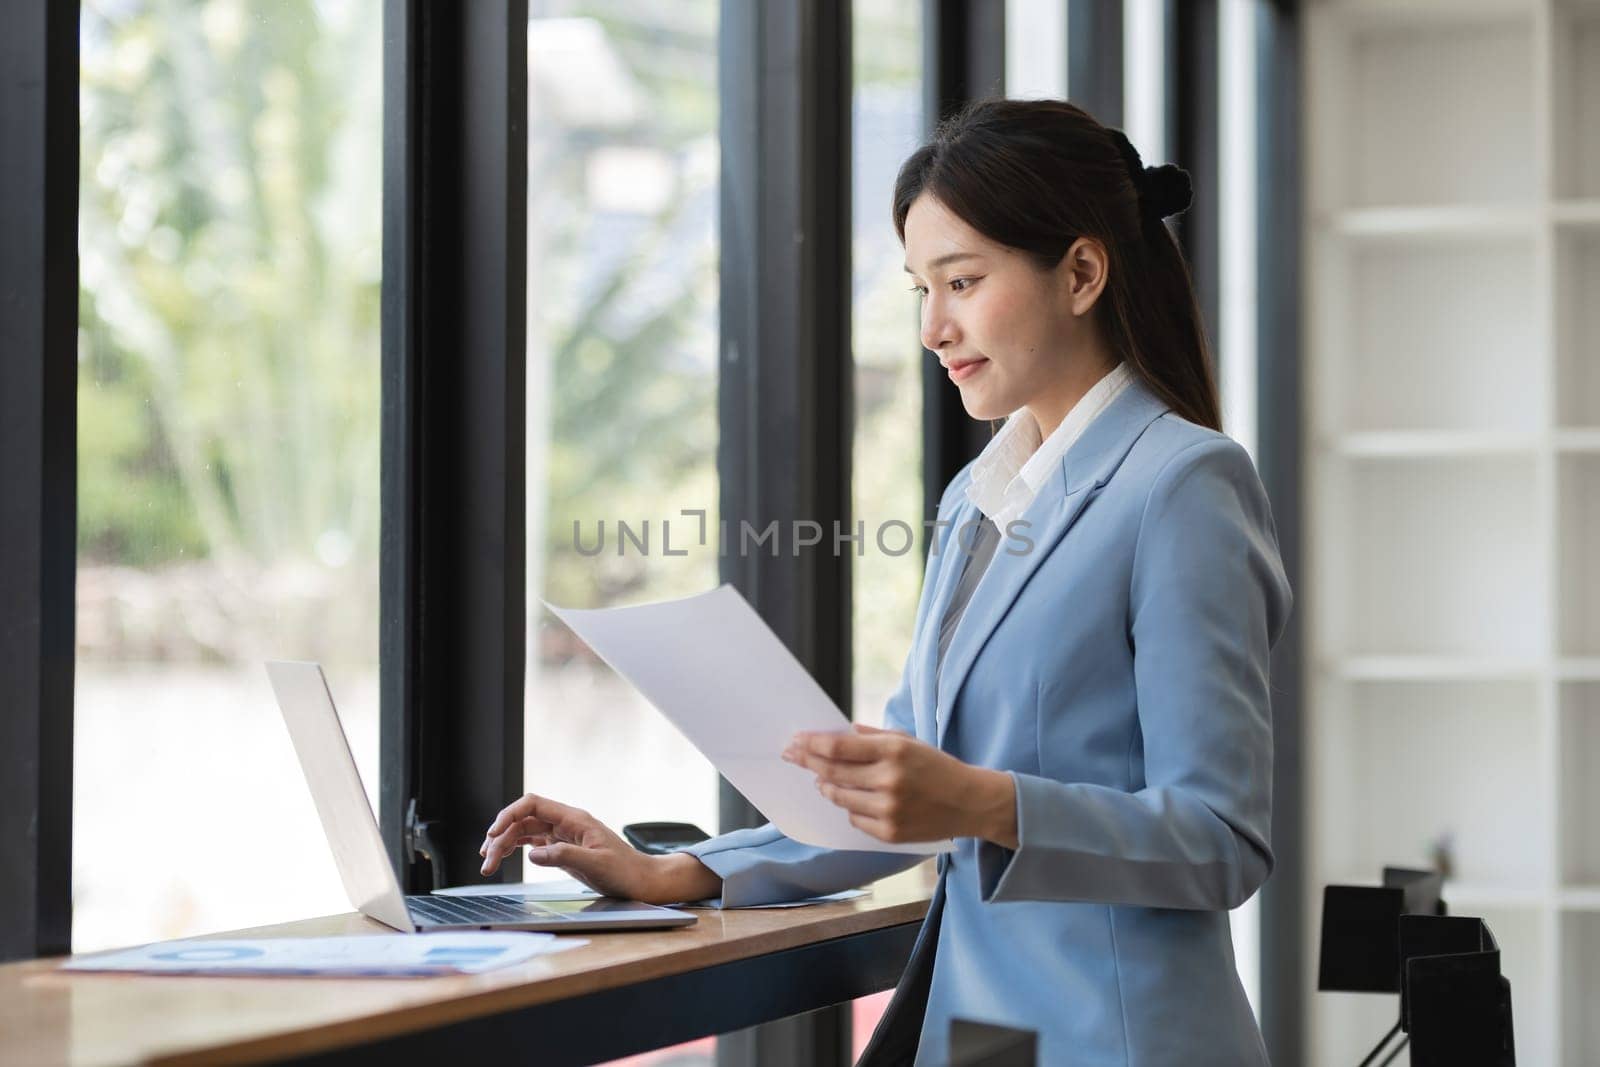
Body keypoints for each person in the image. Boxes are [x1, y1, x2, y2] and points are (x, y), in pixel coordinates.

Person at [479, 98, 1293, 1066]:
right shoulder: (980, 493)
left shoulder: (1182, 484)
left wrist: (985, 802)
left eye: (962, 280)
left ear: (1080, 272)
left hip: (1120, 1039)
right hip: (984, 1034)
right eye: (920, 287)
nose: (932, 326)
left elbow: (1218, 839)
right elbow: (909, 778)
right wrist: (679, 869)